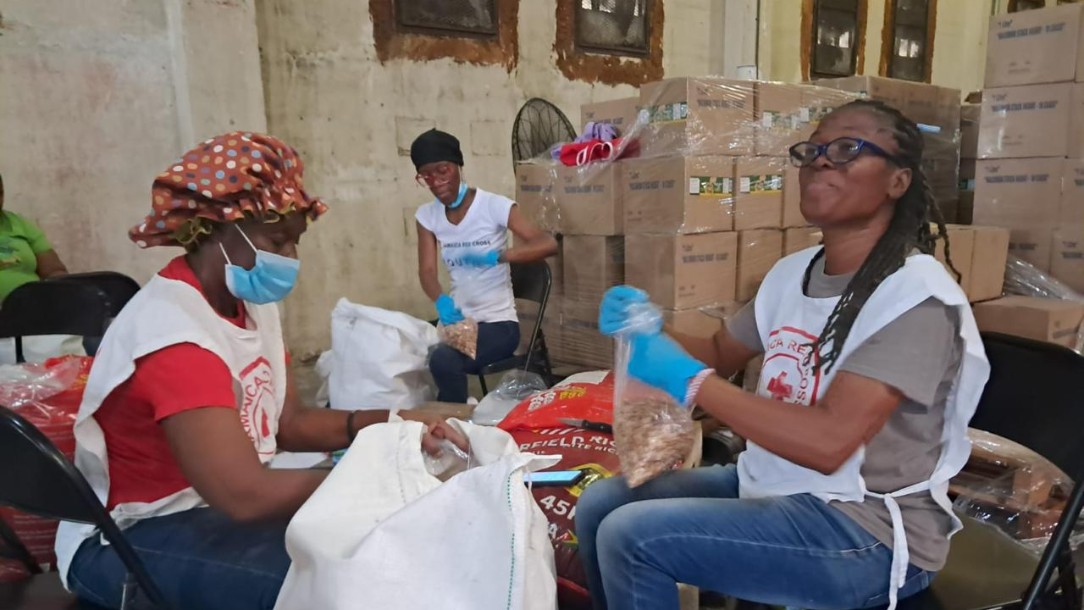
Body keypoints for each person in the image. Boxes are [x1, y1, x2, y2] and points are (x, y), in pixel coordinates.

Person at [576, 100, 991, 610]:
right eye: (812, 150)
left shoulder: (915, 299)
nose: (820, 161)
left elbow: (829, 443)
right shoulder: (792, 274)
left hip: (866, 530)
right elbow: (720, 353)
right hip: (776, 484)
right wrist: (650, 326)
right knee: (600, 504)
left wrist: (692, 381)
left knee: (633, 536)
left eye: (847, 150)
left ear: (897, 182)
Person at [55, 133, 462, 610]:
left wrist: (394, 426)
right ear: (212, 228)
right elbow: (243, 495)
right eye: (276, 241)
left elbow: (287, 424)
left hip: (204, 511)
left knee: (390, 544)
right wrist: (381, 474)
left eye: (294, 242)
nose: (289, 259)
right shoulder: (175, 336)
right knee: (350, 583)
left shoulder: (246, 303)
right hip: (128, 539)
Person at [412, 129, 557, 402]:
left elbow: (548, 244)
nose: (437, 182)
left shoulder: (492, 206)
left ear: (458, 166)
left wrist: (500, 257)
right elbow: (427, 271)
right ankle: (454, 415)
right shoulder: (427, 216)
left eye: (442, 171)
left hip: (498, 325)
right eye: (426, 176)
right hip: (459, 320)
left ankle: (454, 424)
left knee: (443, 359)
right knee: (408, 344)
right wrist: (441, 299)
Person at [0, 172, 68, 301]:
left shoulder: (20, 224)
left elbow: (54, 270)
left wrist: (63, 291)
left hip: (33, 308)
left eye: (0, 193)